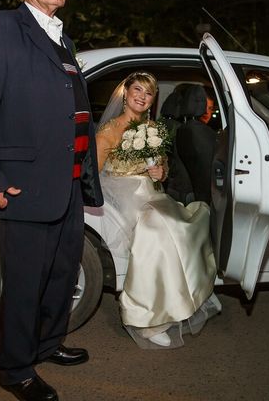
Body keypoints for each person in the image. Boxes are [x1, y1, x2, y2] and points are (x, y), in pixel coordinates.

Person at [0, 0, 103, 401]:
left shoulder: (62, 38)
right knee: (24, 281)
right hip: (24, 182)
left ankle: (47, 343)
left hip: (66, 183)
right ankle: (15, 369)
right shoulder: (2, 28)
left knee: (61, 274)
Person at [95, 72, 221, 349]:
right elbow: (94, 172)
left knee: (185, 224)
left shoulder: (154, 129)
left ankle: (184, 298)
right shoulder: (109, 130)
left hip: (152, 193)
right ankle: (150, 321)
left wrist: (159, 171)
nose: (142, 96)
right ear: (125, 94)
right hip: (121, 194)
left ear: (153, 100)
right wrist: (122, 174)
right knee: (157, 231)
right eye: (137, 90)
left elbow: (162, 171)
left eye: (148, 93)